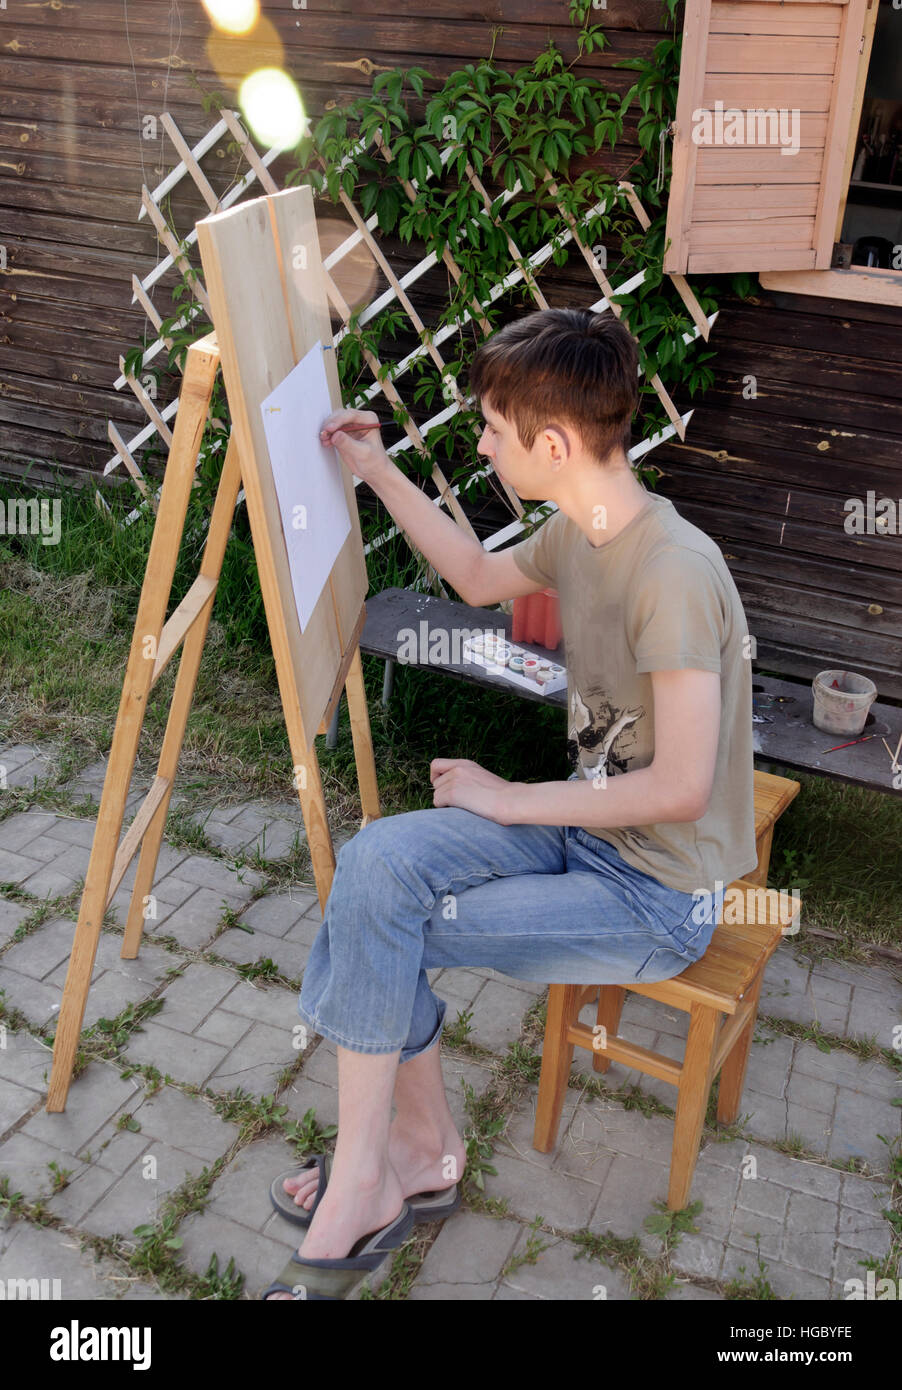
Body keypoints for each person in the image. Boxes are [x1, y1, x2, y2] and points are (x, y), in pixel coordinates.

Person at [262, 306, 758, 1300]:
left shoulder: (670, 571)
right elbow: (477, 574)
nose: (481, 444)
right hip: (586, 837)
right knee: (373, 868)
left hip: (657, 898)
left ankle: (380, 1171)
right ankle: (413, 1149)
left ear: (553, 443)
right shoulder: (581, 529)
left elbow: (681, 787)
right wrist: (372, 467)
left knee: (384, 918)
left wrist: (502, 797)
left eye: (490, 428)